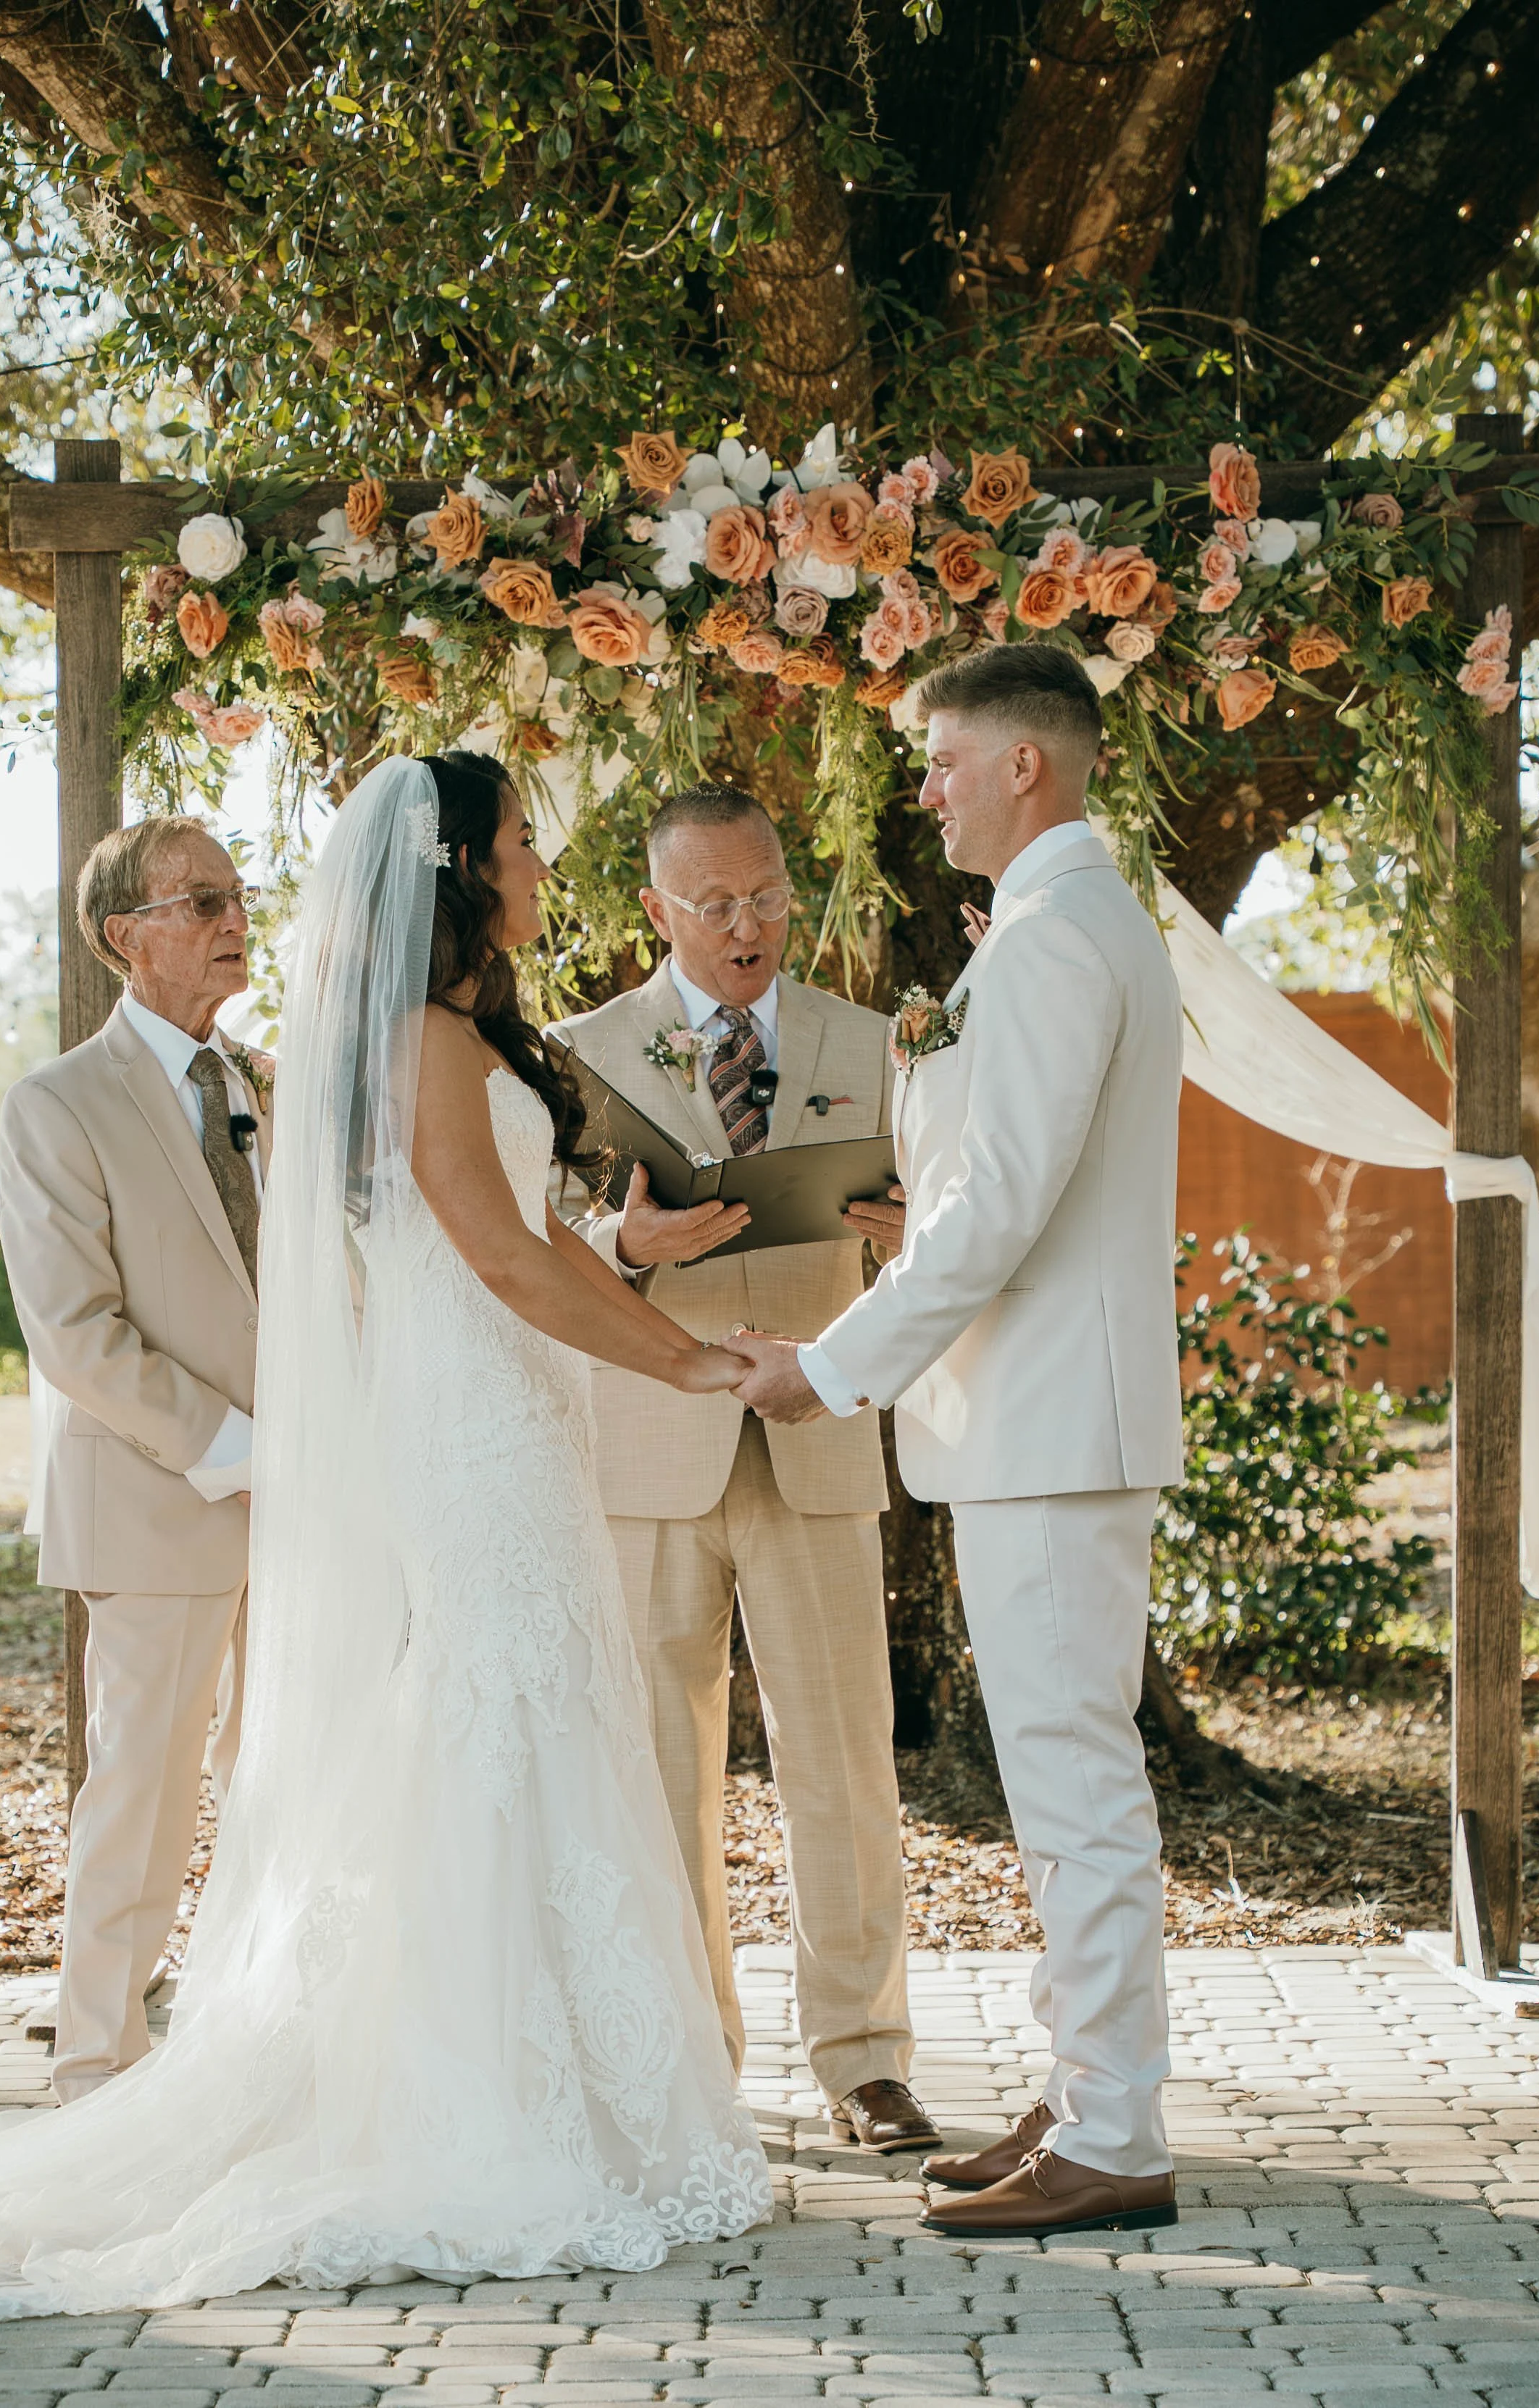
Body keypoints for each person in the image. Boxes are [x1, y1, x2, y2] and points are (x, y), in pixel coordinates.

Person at [0, 752, 770, 2312]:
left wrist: (623, 1262)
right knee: (478, 1725)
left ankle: (561, 2080)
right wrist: (692, 1358)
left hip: (483, 1413)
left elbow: (465, 1250)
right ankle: (451, 2095)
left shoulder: (369, 1052)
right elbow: (495, 1264)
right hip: (438, 1430)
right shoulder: (414, 1042)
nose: (535, 857)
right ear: (455, 867)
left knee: (511, 1726)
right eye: (518, 838)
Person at [729, 645, 1185, 2240]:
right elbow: (1005, 1187)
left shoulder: (1058, 940)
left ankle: (1117, 2133)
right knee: (1060, 1773)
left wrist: (835, 1365)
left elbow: (1000, 1214)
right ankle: (1079, 2092)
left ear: (1024, 769)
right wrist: (915, 1212)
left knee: (1072, 1784)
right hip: (1035, 1412)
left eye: (941, 759)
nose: (920, 788)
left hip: (1053, 1420)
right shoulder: (1053, 932)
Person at [549, 783, 935, 2154]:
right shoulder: (575, 1051)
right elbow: (524, 1247)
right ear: (657, 911)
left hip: (816, 1423)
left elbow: (946, 1227)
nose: (745, 924)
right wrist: (622, 1252)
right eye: (713, 903)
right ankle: (685, 2062)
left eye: (766, 893)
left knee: (845, 1755)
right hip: (649, 1434)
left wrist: (906, 1235)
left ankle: (866, 2057)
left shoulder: (878, 1042)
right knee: (660, 1763)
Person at [0, 819, 267, 2102]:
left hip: (314, 1511)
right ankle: (97, 2066)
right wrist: (246, 1449)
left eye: (236, 893)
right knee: (142, 1799)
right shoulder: (56, 1106)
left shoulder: (268, 1081)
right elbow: (76, 1335)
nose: (233, 917)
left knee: (283, 1791)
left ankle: (253, 2050)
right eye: (200, 899)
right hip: (160, 1497)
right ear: (126, 937)